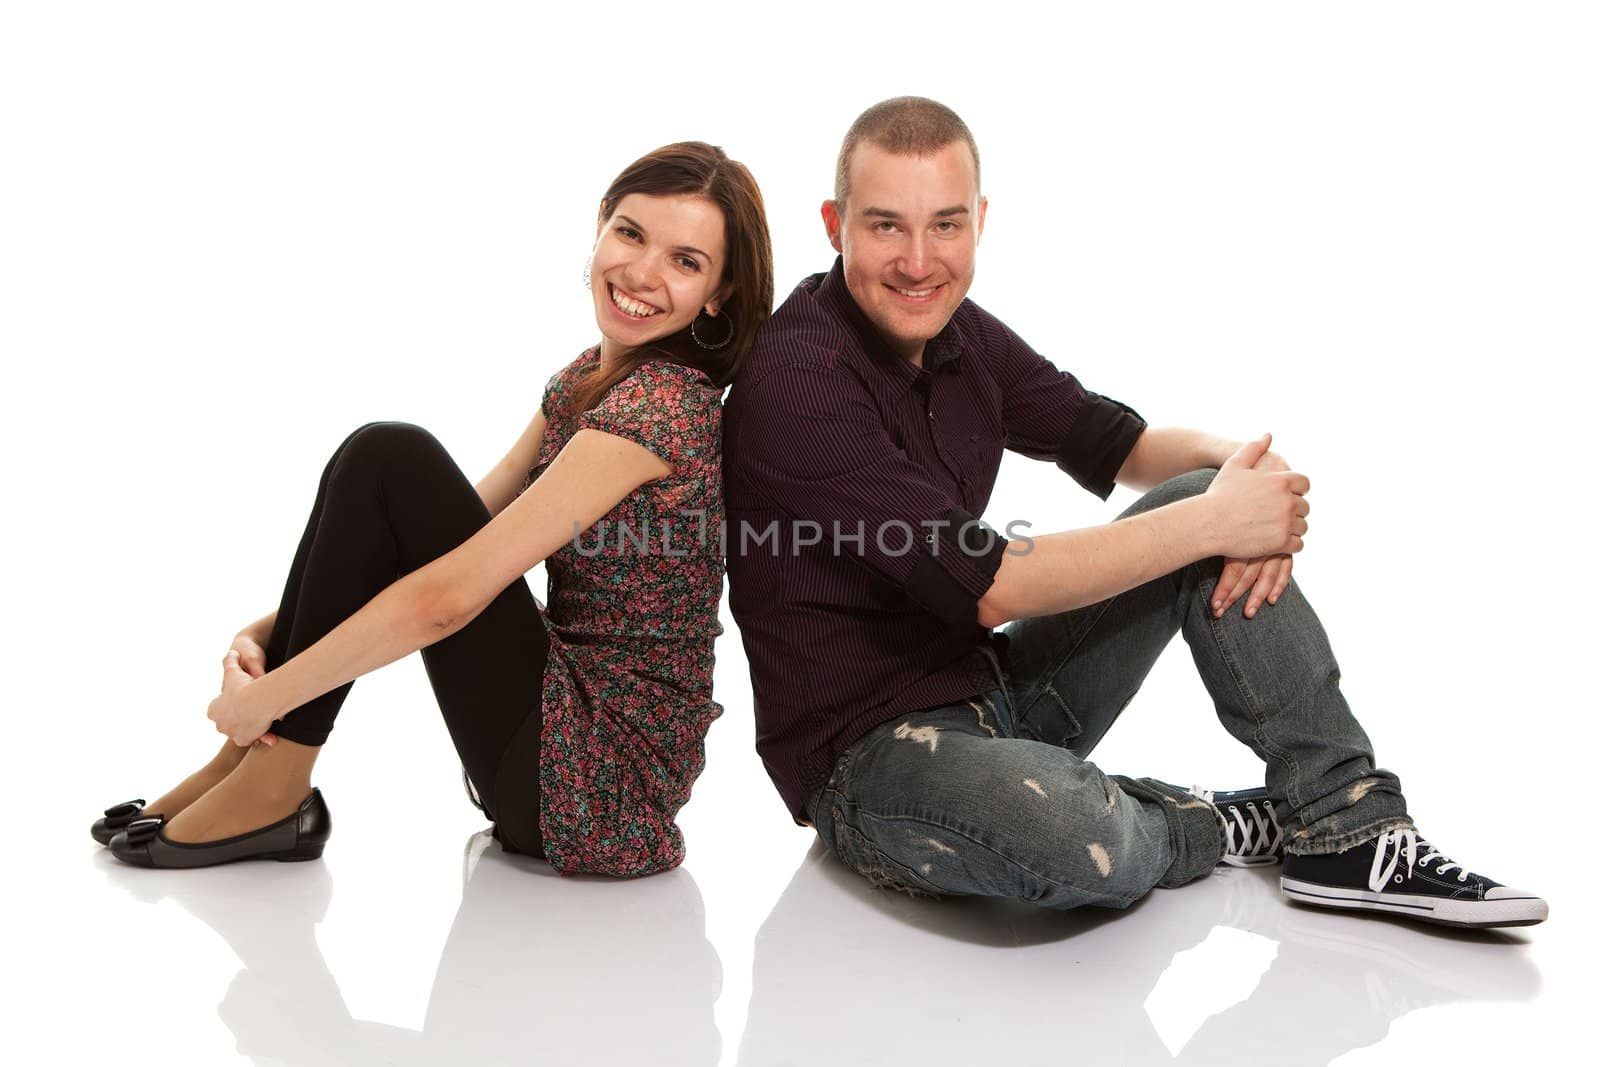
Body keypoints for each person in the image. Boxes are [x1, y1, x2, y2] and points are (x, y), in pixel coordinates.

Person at [722, 97, 1546, 928]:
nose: (918, 259)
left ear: (980, 221)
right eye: (886, 226)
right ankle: (1213, 820)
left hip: (995, 690)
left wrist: (1249, 475)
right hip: (867, 760)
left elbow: (1126, 447)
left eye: (944, 225)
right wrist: (1217, 521)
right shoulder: (796, 382)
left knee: (1199, 500)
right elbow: (993, 586)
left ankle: (1347, 823)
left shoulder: (962, 333)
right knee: (1079, 836)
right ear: (835, 225)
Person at [94, 141, 774, 877]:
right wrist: (273, 630)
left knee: (392, 457)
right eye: (632, 234)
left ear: (719, 294)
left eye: (685, 261)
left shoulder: (660, 406)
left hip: (595, 784)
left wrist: (268, 696)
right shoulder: (588, 377)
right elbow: (451, 530)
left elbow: (447, 598)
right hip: (552, 739)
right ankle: (244, 766)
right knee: (381, 462)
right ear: (601, 226)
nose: (641, 274)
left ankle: (270, 777)